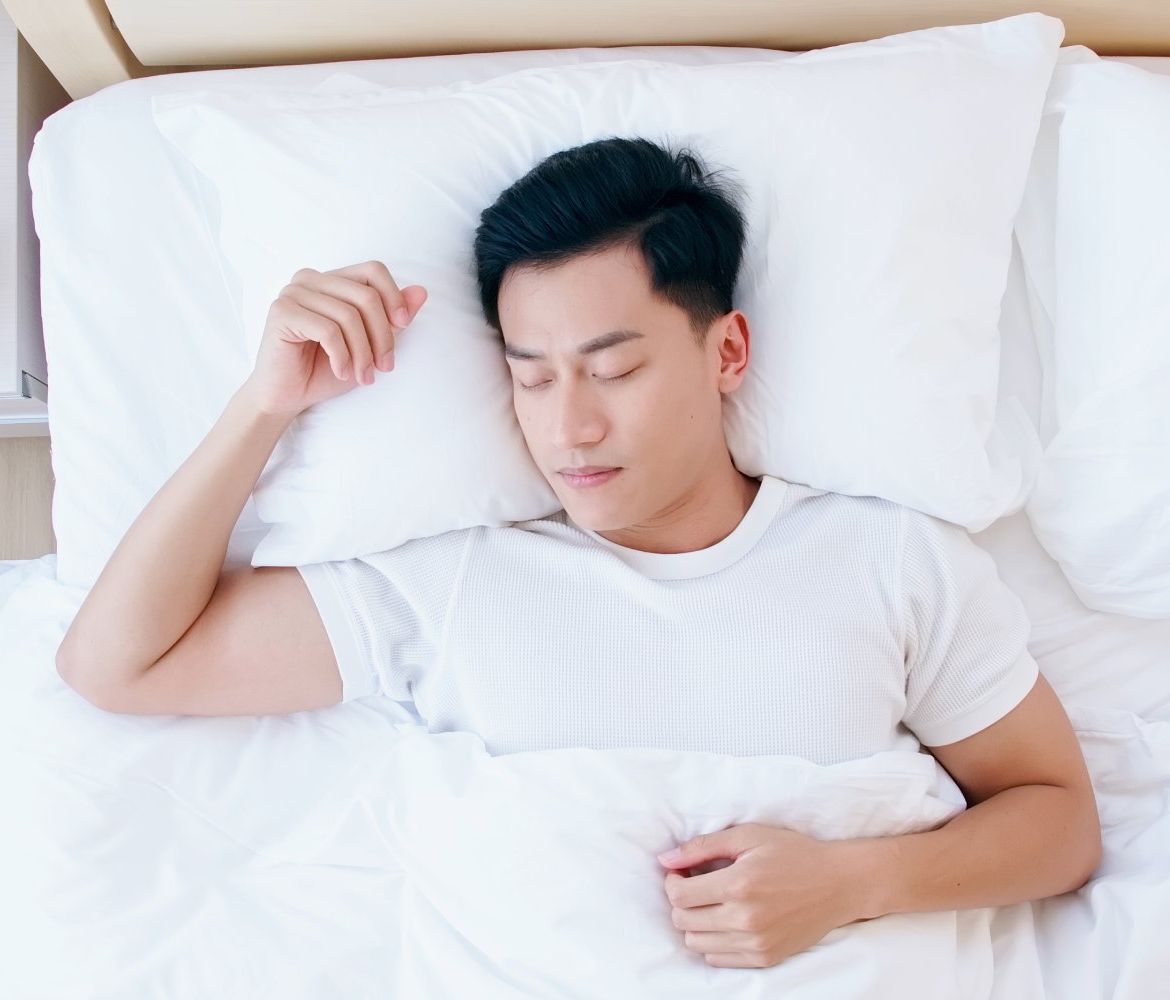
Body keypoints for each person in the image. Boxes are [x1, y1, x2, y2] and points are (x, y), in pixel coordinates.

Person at [56, 136, 1101, 970]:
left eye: (613, 368)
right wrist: (263, 406)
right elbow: (119, 665)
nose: (570, 430)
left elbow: (1058, 823)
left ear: (725, 351)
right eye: (533, 375)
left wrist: (850, 881)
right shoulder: (456, 581)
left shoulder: (889, 561)